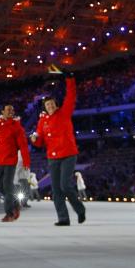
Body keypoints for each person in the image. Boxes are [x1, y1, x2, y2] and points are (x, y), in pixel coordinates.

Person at [30, 73, 85, 226]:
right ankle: (63, 218)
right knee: (56, 190)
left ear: (57, 104)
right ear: (45, 108)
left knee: (65, 185)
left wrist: (70, 79)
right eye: (48, 105)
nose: (50, 106)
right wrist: (34, 140)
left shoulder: (64, 112)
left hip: (68, 154)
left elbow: (71, 95)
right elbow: (40, 141)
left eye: (52, 104)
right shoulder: (42, 121)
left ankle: (79, 210)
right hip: (53, 157)